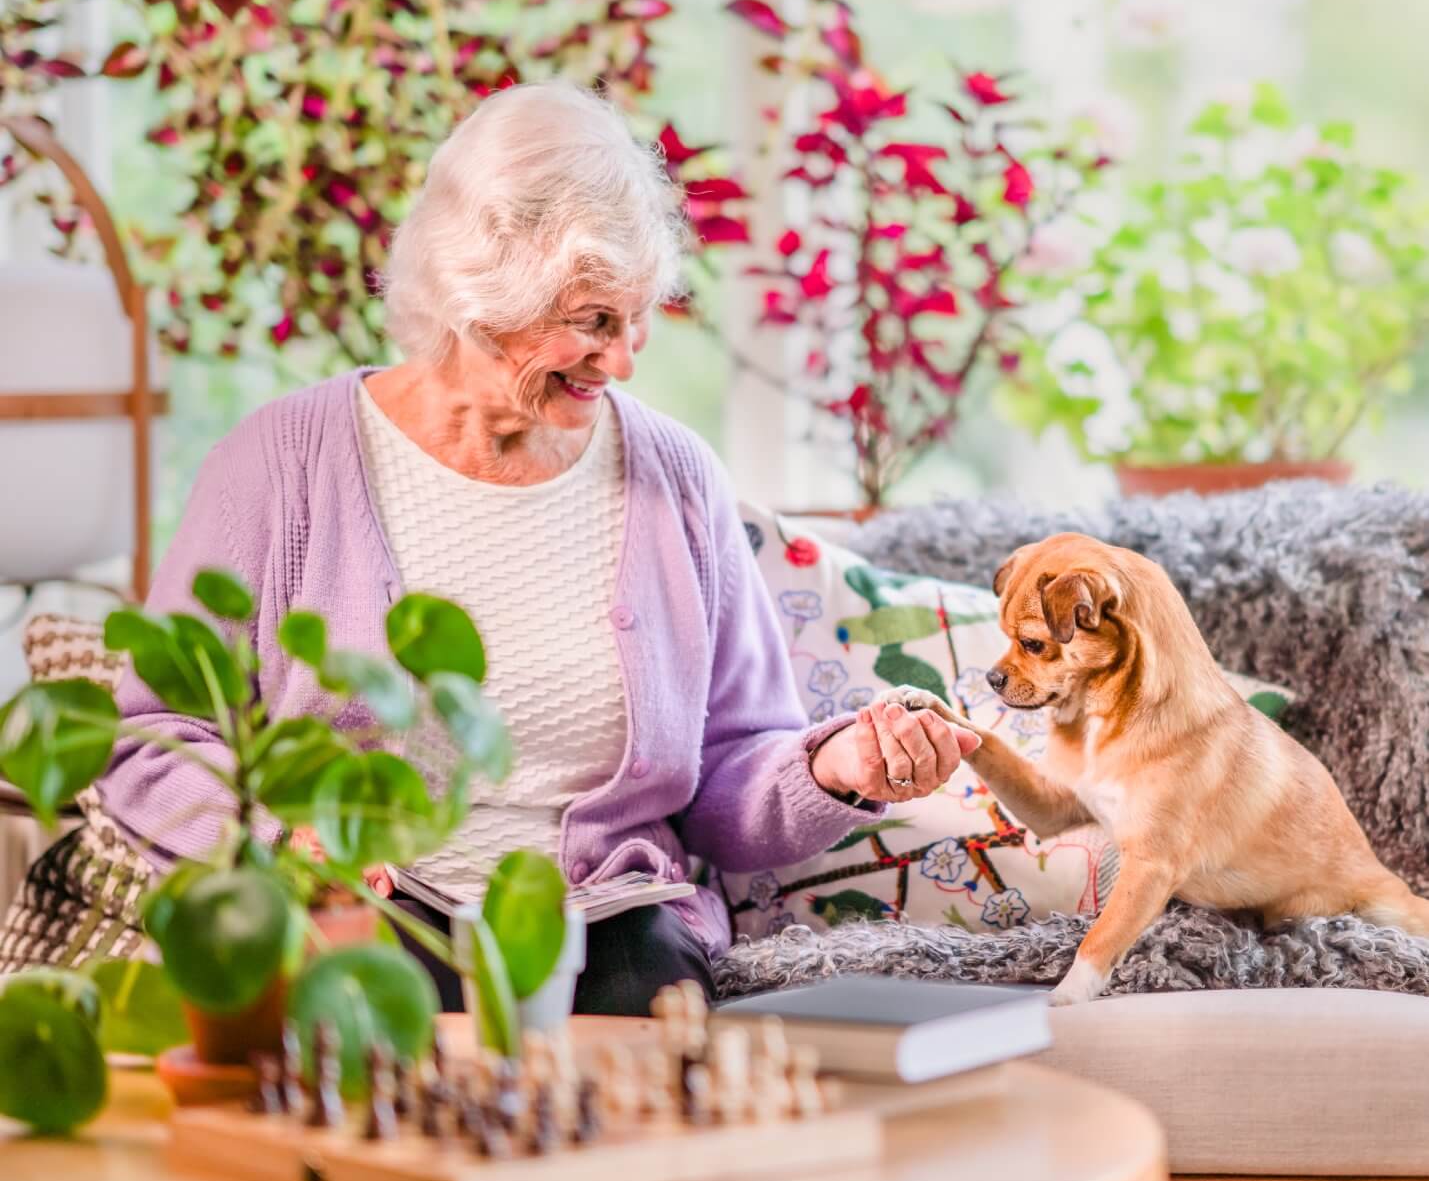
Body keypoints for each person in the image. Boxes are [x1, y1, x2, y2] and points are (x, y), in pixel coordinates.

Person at [0, 83, 978, 1011]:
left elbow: (731, 769)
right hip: (345, 917)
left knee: (639, 1046)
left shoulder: (675, 477)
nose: (626, 359)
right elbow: (150, 733)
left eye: (637, 319)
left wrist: (834, 765)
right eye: (592, 321)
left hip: (608, 935)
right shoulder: (280, 463)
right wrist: (272, 843)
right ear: (479, 295)